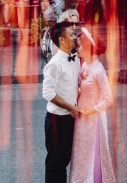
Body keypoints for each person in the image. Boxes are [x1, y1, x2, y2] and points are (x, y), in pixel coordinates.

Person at [70, 28, 116, 183]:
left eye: (79, 46)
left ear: (88, 47)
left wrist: (91, 111)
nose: (77, 49)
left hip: (93, 119)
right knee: (82, 154)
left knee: (93, 155)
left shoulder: (98, 70)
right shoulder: (84, 66)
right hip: (82, 119)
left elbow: (108, 98)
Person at [42, 21, 82, 182]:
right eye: (71, 34)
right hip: (56, 119)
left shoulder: (76, 59)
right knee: (55, 163)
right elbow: (48, 93)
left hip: (70, 118)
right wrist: (69, 107)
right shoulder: (54, 64)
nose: (74, 37)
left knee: (65, 159)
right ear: (62, 40)